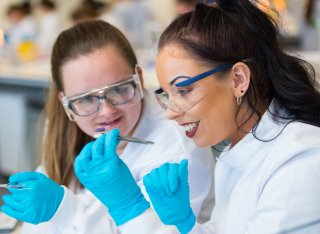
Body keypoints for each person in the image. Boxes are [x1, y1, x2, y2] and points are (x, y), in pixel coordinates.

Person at [0, 20, 215, 233]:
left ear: (138, 78)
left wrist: (63, 210)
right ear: (65, 103)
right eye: (85, 99)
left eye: (119, 89)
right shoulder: (67, 130)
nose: (106, 111)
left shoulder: (176, 145)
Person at [141, 1, 320, 233]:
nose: (170, 112)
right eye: (167, 94)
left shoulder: (299, 162)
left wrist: (132, 208)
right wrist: (185, 225)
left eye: (183, 91)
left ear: (238, 79)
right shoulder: (233, 153)